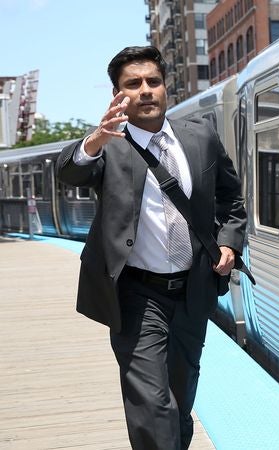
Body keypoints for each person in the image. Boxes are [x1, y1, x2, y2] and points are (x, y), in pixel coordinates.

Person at [57, 46, 247, 450]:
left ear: (165, 88)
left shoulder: (200, 136)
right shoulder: (108, 143)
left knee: (178, 402)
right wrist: (94, 140)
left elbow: (231, 199)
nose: (145, 90)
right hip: (135, 296)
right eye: (133, 84)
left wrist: (230, 243)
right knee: (151, 405)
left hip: (192, 292)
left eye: (152, 82)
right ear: (117, 94)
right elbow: (70, 171)